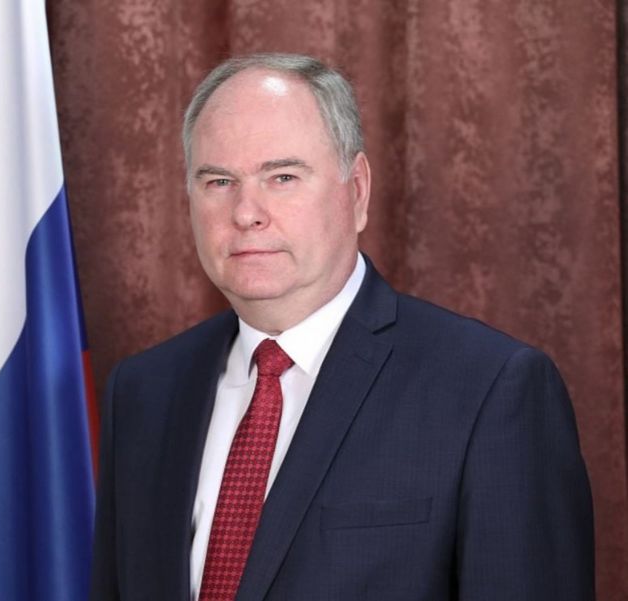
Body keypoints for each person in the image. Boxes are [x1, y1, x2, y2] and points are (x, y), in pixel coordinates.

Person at [90, 53, 594, 601]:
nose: (246, 213)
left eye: (282, 177)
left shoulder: (490, 389)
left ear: (356, 191)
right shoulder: (143, 392)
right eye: (219, 181)